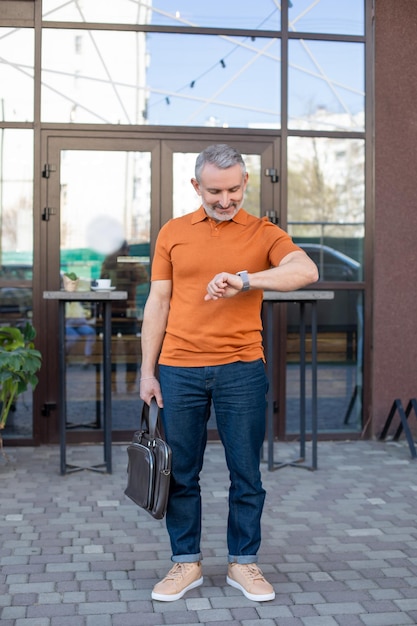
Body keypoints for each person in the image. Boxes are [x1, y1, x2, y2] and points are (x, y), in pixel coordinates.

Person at [140, 144, 318, 603]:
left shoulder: (264, 232)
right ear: (196, 186)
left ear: (245, 184)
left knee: (247, 474)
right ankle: (186, 564)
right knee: (181, 472)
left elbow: (305, 270)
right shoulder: (173, 232)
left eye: (234, 189)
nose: (225, 200)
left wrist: (246, 279)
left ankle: (243, 563)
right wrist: (147, 371)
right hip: (178, 369)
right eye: (215, 190)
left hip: (241, 369)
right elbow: (158, 302)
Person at [100, 241, 148, 392]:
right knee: (123, 350)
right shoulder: (118, 262)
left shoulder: (114, 262)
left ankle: (122, 384)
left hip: (121, 310)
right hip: (119, 310)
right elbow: (143, 278)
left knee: (120, 350)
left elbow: (143, 278)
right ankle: (121, 384)